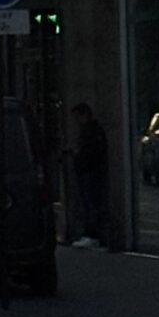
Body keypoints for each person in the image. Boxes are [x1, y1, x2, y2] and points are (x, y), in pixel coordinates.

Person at [70, 101, 110, 248]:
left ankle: (92, 235)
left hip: (89, 171)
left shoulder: (91, 131)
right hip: (89, 171)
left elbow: (91, 152)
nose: (76, 121)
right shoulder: (93, 131)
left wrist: (78, 154)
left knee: (90, 204)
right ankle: (92, 234)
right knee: (90, 204)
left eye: (77, 117)